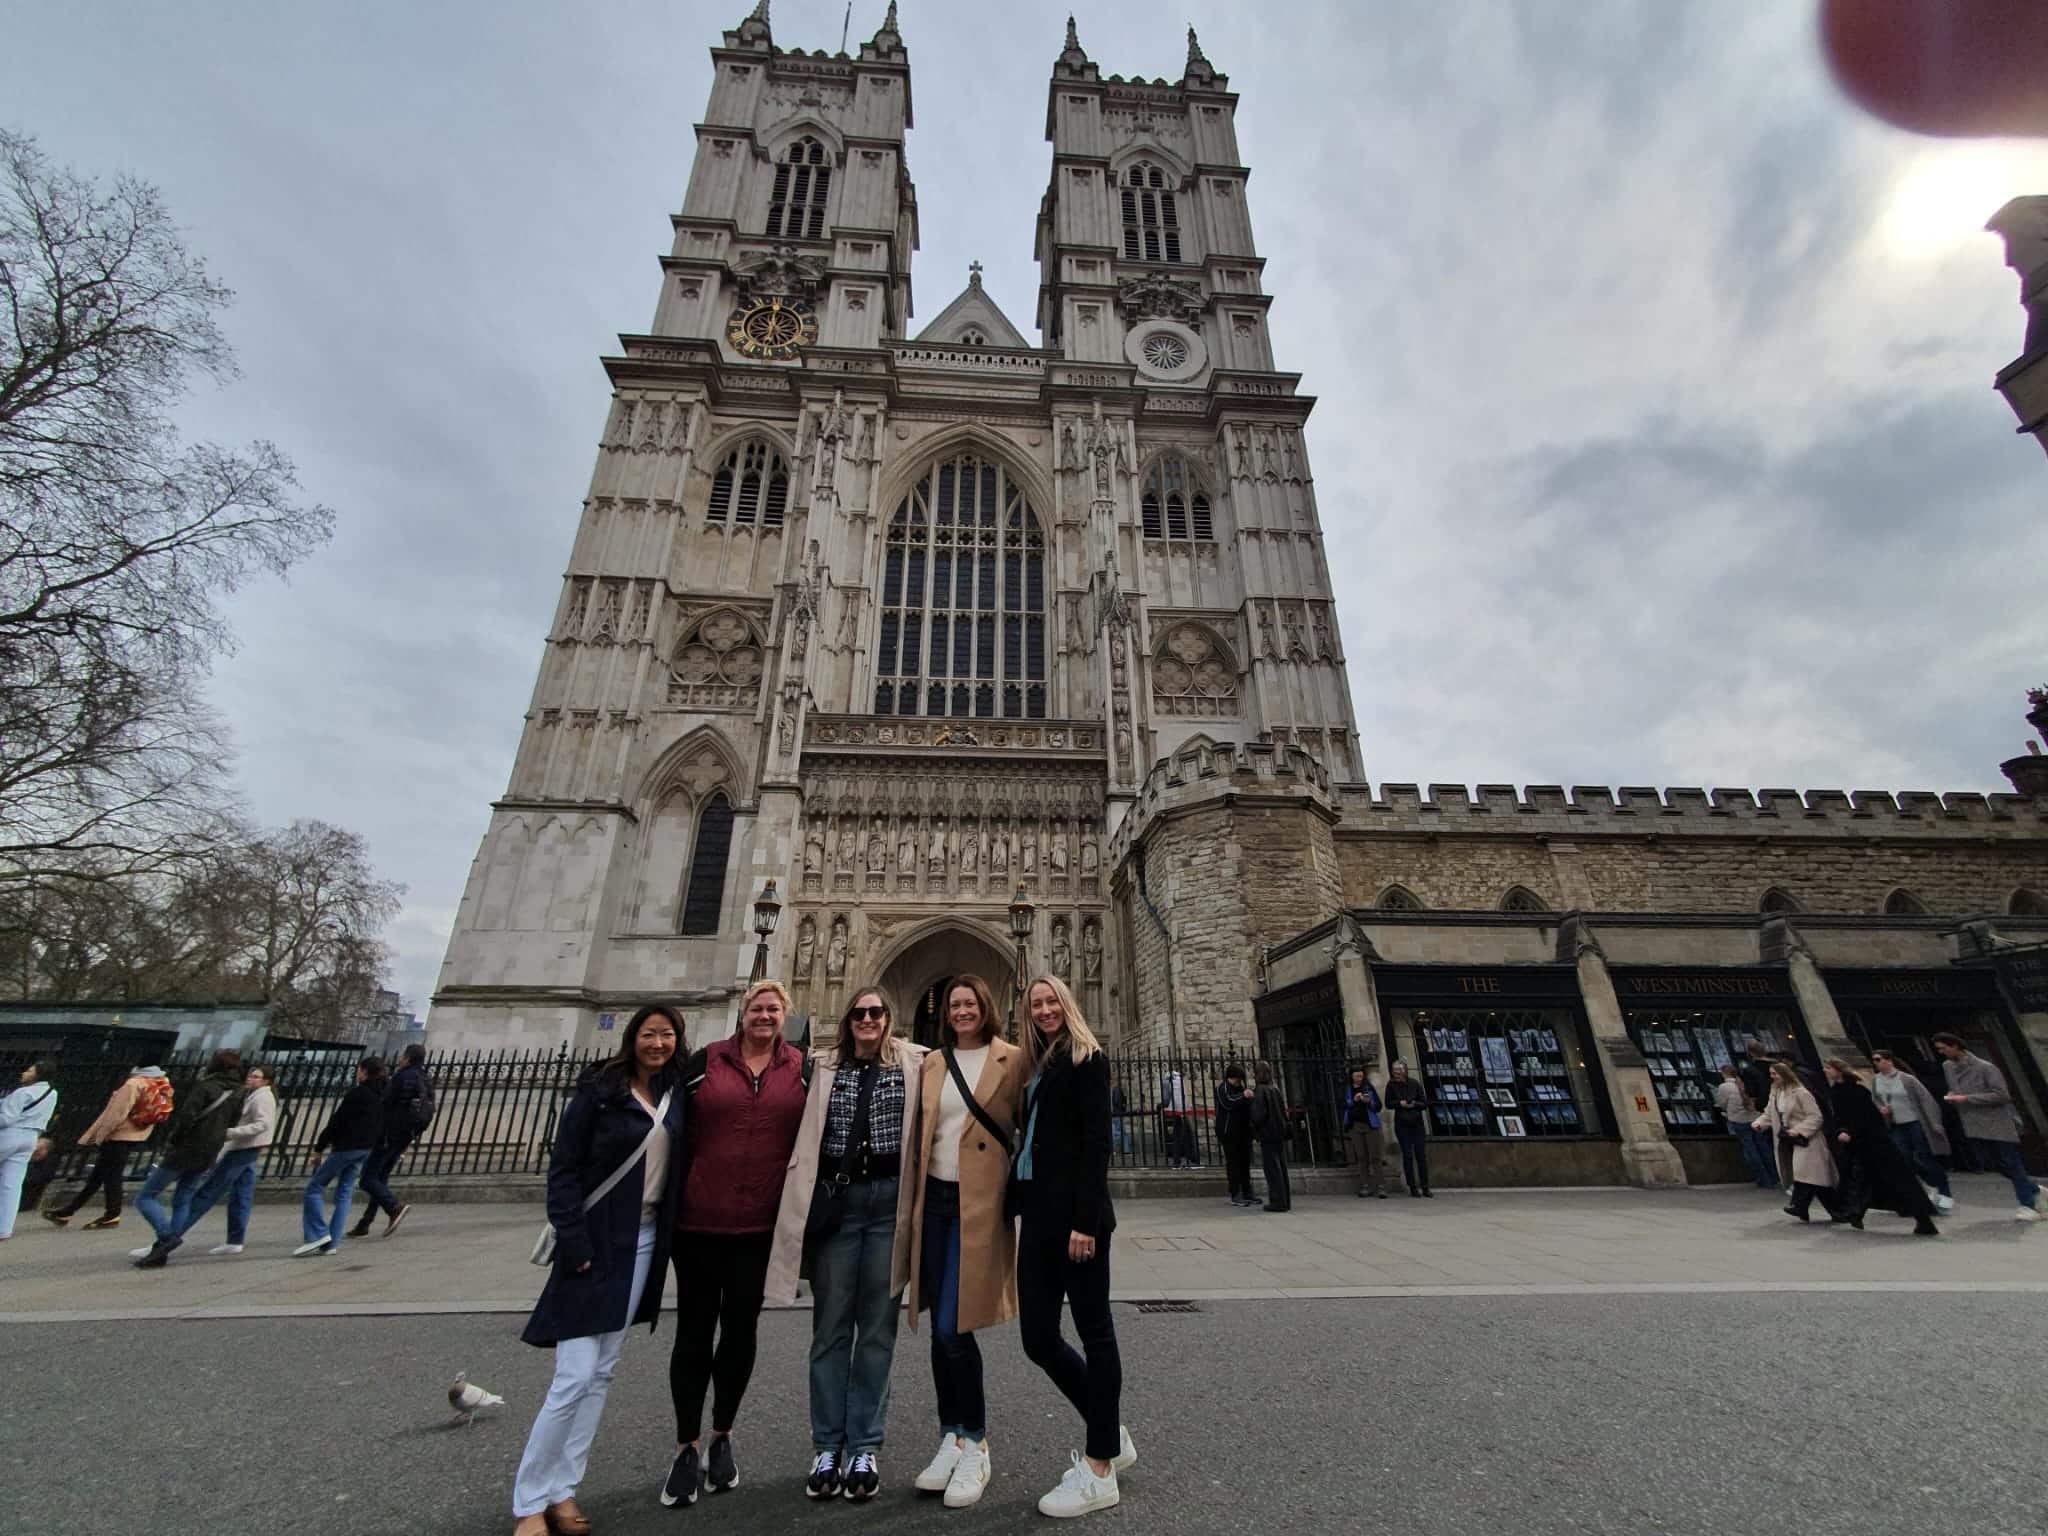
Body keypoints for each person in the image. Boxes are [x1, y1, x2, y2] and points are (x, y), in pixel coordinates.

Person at [512, 1003, 686, 1536]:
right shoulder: (600, 1090)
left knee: (602, 1371)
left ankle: (563, 1489)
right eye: (649, 1034)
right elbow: (564, 1169)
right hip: (594, 1242)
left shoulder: (676, 1094)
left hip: (644, 1241)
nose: (658, 1044)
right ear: (633, 1037)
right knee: (574, 1376)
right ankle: (529, 1501)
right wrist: (574, 1239)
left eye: (667, 1035)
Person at [765, 985, 927, 1502]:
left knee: (877, 1331)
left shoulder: (919, 1063)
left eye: (876, 1012)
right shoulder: (819, 1066)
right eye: (859, 1012)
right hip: (838, 1205)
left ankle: (864, 1446)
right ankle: (827, 1445)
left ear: (889, 1017)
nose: (867, 1019)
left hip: (888, 1207)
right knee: (831, 1328)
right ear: (848, 1018)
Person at [662, 979, 808, 1508]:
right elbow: (664, 1126)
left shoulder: (802, 1069)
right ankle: (686, 1444)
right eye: (756, 1008)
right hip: (699, 1223)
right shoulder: (704, 1063)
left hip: (759, 1228)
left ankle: (721, 1433)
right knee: (693, 1334)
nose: (764, 1016)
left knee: (740, 1333)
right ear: (742, 1013)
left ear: (785, 1016)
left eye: (773, 1009)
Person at [1014, 975, 1138, 1517]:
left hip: (1077, 1223)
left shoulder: (1089, 1059)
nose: (1045, 1010)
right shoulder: (1038, 1066)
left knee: (1095, 1332)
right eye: (1036, 1004)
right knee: (1038, 1338)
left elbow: (1096, 1144)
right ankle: (1108, 1428)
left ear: (1068, 1005)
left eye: (1052, 1002)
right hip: (1040, 1217)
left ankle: (1099, 1468)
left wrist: (1085, 1221)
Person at [905, 973, 1027, 1510]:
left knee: (952, 1326)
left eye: (970, 1003)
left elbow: (1034, 1125)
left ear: (986, 1008)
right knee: (940, 1327)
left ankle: (975, 1441)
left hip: (976, 1205)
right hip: (932, 1201)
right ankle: (951, 1436)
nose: (961, 1011)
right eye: (954, 1004)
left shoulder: (1012, 1060)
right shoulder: (931, 1063)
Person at [150, 1063, 277, 1261]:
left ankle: (168, 1239)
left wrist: (229, 1133)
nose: (250, 1079)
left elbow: (263, 1124)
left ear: (265, 1081)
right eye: (251, 1075)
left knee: (208, 1193)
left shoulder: (262, 1097)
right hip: (247, 1147)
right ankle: (235, 1240)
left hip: (243, 1148)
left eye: (256, 1077)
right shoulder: (253, 1094)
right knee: (241, 1195)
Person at [133, 1050, 247, 1266]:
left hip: (187, 1146)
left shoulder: (205, 1086)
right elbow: (233, 1121)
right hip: (210, 1149)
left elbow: (187, 1117)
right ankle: (162, 1251)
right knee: (183, 1197)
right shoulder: (238, 1092)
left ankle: (166, 1237)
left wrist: (174, 1140)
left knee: (146, 1196)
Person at [45, 1058, 172, 1230]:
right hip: (136, 1133)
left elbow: (117, 1114)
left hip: (118, 1134)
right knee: (99, 1175)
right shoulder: (161, 1082)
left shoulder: (134, 1083)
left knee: (112, 1176)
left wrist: (101, 1135)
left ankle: (112, 1214)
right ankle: (67, 1211)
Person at [1820, 1059, 1939, 1236]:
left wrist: (1849, 1131)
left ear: (1839, 1070)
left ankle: (1922, 1218)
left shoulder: (1856, 1091)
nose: (1825, 1071)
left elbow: (1866, 1117)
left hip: (1874, 1142)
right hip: (1861, 1143)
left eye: (1829, 1068)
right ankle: (1855, 1212)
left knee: (1891, 1179)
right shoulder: (1837, 1091)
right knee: (1864, 1178)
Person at [1934, 1032, 2042, 1222]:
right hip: (1972, 1123)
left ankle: (2028, 1205)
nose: (1941, 1052)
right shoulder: (1948, 1066)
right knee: (1995, 1164)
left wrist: (1967, 1099)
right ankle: (2033, 1189)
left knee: (2011, 1163)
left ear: (1955, 1046)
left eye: (1944, 1048)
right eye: (1939, 1049)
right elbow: (1956, 1088)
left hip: (1996, 1122)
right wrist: (1953, 1095)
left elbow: (2002, 1095)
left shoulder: (1985, 1067)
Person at [297, 1057, 387, 1257]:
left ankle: (317, 1235)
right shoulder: (382, 1095)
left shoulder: (358, 1093)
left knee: (314, 1188)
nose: (357, 1072)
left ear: (364, 1072)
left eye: (358, 1069)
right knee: (344, 1193)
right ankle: (332, 1243)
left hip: (347, 1147)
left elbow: (336, 1122)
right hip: (366, 1148)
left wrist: (319, 1148)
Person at [353, 1042, 432, 1239]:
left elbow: (385, 1104)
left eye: (403, 1056)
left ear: (407, 1058)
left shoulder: (402, 1076)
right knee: (380, 1178)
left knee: (368, 1178)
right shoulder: (425, 1079)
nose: (400, 1059)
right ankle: (365, 1222)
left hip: (388, 1134)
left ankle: (394, 1206)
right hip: (406, 1135)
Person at [1754, 1061, 1840, 1222]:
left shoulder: (1801, 1093)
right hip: (1789, 1140)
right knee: (1813, 1177)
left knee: (1805, 1173)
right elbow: (1770, 1113)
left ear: (1784, 1074)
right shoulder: (1776, 1093)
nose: (1772, 1077)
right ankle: (1832, 1210)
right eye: (1771, 1074)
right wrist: (1760, 1123)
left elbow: (1815, 1116)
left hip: (1807, 1140)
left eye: (1775, 1074)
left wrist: (1799, 1130)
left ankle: (1800, 1205)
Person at [1869, 1049, 1954, 1213]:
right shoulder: (1876, 1080)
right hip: (1895, 1124)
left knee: (1925, 1156)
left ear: (1889, 1060)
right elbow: (1876, 1100)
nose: (1876, 1063)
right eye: (1874, 1060)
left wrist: (1934, 1123)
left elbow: (1926, 1100)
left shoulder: (1907, 1079)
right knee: (1904, 1158)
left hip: (1915, 1122)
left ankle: (1944, 1190)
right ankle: (1930, 1183)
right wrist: (1882, 1109)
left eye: (1878, 1059)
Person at [0, 1058, 60, 1240]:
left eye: (30, 1070)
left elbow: (6, 1118)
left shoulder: (22, 1092)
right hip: (30, 1137)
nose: (25, 1073)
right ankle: (4, 1228)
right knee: (12, 1184)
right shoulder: (52, 1093)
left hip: (9, 1134)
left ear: (38, 1074)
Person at [1714, 1065, 1776, 1190]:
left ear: (1724, 1074)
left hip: (1738, 1119)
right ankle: (1774, 1176)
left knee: (1750, 1149)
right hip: (1755, 1118)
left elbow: (1721, 1103)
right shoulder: (1745, 1084)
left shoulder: (1724, 1087)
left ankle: (1763, 1178)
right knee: (1763, 1146)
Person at [1248, 1060, 1290, 1213]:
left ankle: (1277, 1201)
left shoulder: (1261, 1091)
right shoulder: (1275, 1088)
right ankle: (1285, 1200)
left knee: (1272, 1169)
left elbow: (1258, 1115)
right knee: (1281, 1167)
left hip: (1268, 1133)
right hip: (1279, 1132)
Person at [1384, 1061, 1431, 1198]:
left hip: (1417, 1123)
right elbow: (1388, 1104)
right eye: (1394, 1071)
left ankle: (1425, 1186)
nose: (1396, 1074)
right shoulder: (1391, 1085)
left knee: (1421, 1155)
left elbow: (1424, 1103)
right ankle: (1412, 1186)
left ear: (1405, 1071)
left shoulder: (1414, 1084)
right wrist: (1400, 1103)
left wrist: (1414, 1104)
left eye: (1399, 1071)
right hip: (1402, 1124)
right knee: (1407, 1155)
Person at [1343, 1066, 1387, 1199]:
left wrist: (1369, 1102)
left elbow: (1378, 1106)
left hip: (1370, 1125)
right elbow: (1343, 1105)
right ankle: (1365, 1185)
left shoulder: (1368, 1088)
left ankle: (1380, 1186)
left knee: (1375, 1156)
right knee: (1361, 1157)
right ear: (1352, 1077)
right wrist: (1354, 1101)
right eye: (1356, 1076)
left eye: (1361, 1076)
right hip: (1355, 1126)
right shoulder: (1348, 1089)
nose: (1359, 1078)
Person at [1215, 1064, 1254, 1207]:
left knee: (1245, 1161)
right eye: (1238, 1079)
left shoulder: (1240, 1088)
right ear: (1233, 1077)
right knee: (1233, 1163)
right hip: (1228, 1131)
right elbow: (1228, 1103)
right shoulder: (1222, 1088)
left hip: (1242, 1130)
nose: (1239, 1082)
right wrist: (1243, 1096)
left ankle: (1247, 1191)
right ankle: (1235, 1193)